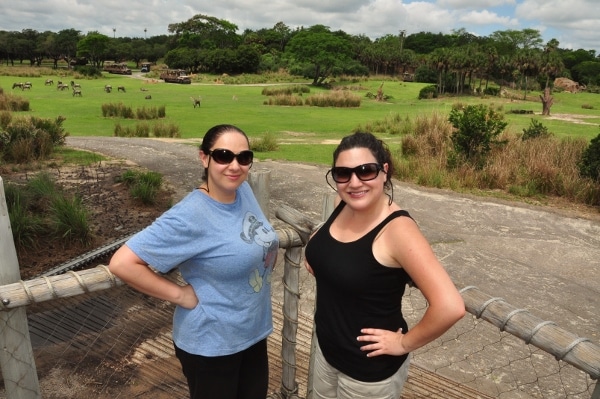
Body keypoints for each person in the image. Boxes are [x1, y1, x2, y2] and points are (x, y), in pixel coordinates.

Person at [109, 124, 279, 399]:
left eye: (244, 157)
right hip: (211, 344)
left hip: (251, 333)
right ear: (204, 158)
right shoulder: (189, 215)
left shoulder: (243, 191)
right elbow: (122, 263)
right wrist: (180, 295)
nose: (235, 166)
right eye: (224, 156)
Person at [304, 131, 465, 399]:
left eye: (366, 171)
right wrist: (316, 250)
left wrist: (403, 343)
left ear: (384, 172)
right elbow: (333, 240)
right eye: (342, 174)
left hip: (367, 374)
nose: (354, 182)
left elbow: (450, 306)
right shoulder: (342, 203)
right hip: (327, 352)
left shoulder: (398, 231)